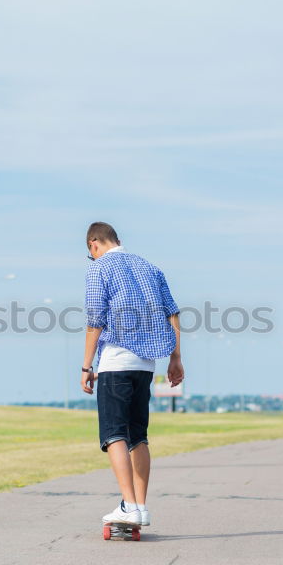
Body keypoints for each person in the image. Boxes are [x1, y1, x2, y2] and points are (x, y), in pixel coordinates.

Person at [80, 221, 184, 527]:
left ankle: (127, 506)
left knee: (114, 435)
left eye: (91, 253)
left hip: (115, 363)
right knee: (138, 437)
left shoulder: (99, 269)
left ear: (93, 244)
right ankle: (140, 506)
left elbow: (95, 320)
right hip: (145, 367)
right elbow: (172, 313)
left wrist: (87, 366)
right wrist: (175, 358)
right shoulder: (150, 267)